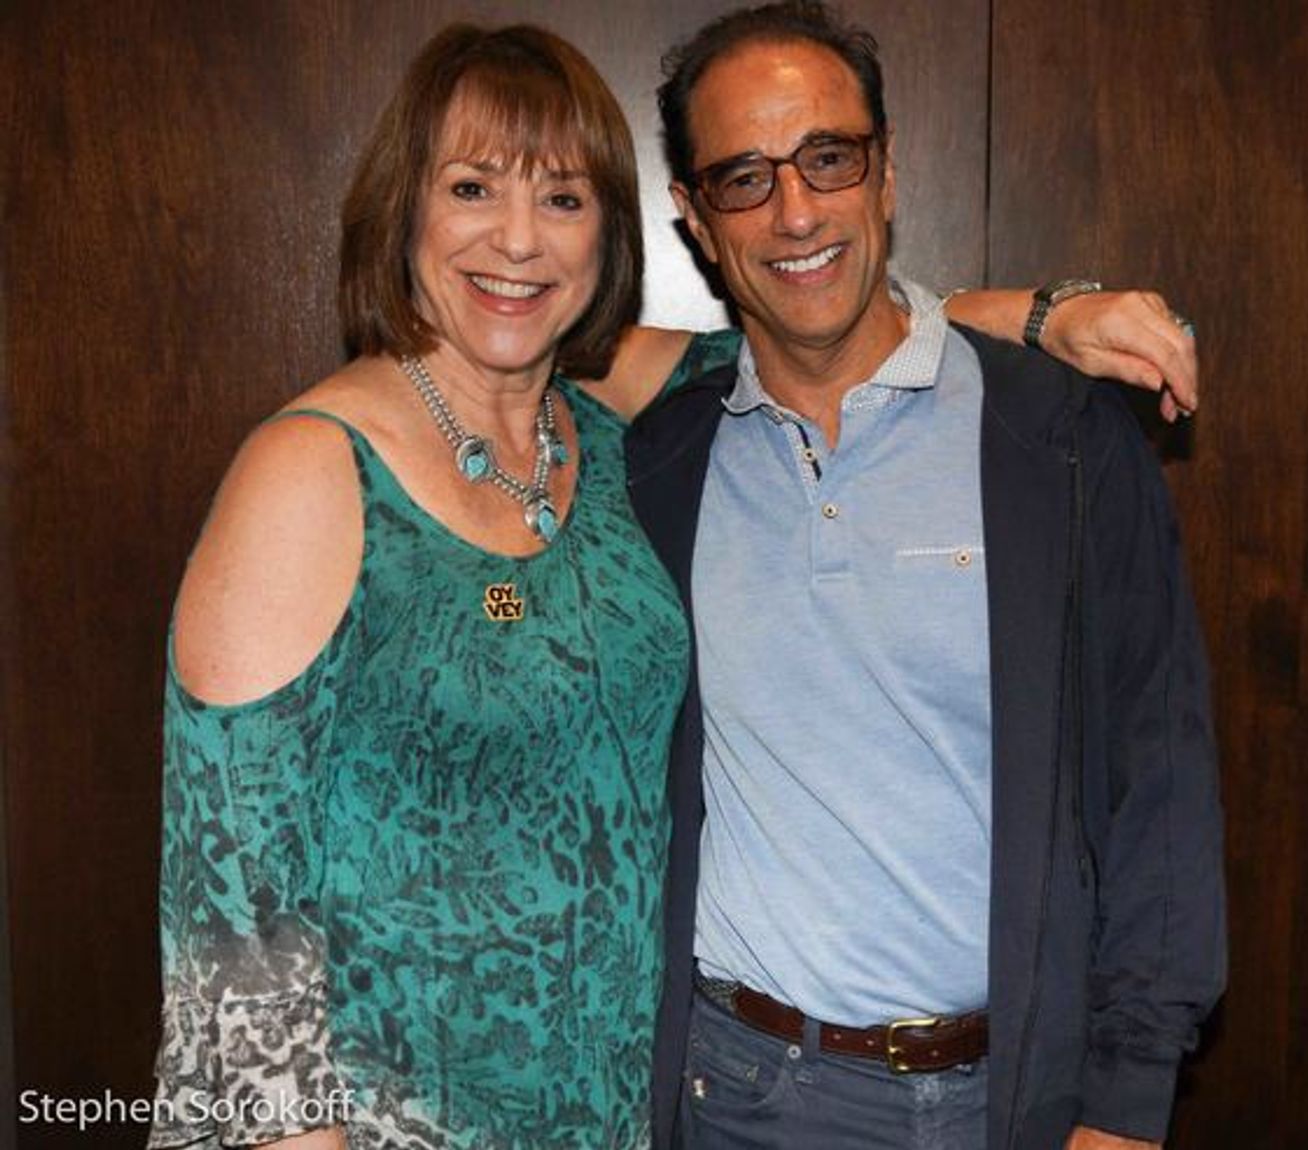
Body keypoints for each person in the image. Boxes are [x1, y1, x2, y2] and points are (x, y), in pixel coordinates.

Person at [147, 17, 1204, 1150]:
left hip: (626, 1104)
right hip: (405, 1109)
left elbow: (816, 331)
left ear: (612, 231)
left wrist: (1029, 315)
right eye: (470, 188)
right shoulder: (313, 469)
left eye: (561, 199)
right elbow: (229, 932)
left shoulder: (606, 444)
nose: (517, 240)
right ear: (403, 209)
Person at [625, 4, 1225, 1150]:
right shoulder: (663, 459)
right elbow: (497, 332)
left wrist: (1124, 1105)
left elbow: (1157, 782)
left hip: (1013, 1098)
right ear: (695, 222)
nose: (794, 210)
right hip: (738, 1095)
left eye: (828, 158)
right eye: (743, 179)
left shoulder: (1056, 438)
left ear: (886, 172)